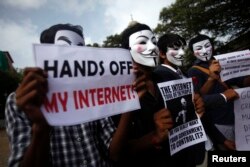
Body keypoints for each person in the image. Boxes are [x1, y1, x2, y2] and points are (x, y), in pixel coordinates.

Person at [5, 23, 146, 167]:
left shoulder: (96, 91)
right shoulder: (22, 101)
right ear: (46, 54)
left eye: (81, 50)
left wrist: (130, 101)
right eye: (66, 48)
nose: (76, 57)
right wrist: (41, 128)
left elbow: (115, 153)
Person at [187, 34, 250, 150]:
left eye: (207, 46)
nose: (205, 51)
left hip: (239, 118)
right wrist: (211, 78)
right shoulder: (193, 72)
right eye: (199, 48)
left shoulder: (222, 63)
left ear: (212, 46)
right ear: (193, 53)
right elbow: (198, 100)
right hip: (219, 122)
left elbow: (242, 82)